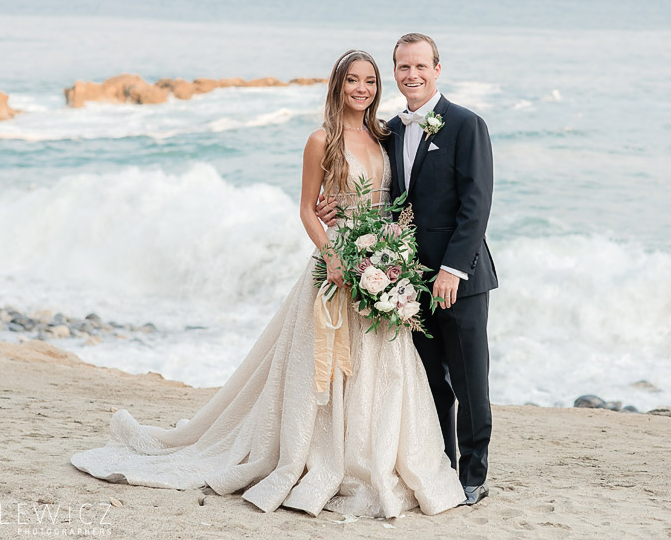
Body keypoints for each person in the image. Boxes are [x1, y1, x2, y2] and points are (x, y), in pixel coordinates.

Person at [70, 49, 465, 519]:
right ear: (337, 86)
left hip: (382, 262)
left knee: (384, 368)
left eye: (370, 82)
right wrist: (333, 255)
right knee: (326, 369)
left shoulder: (385, 135)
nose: (362, 89)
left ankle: (375, 453)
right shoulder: (322, 140)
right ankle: (320, 454)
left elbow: (404, 197)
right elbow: (306, 209)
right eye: (352, 81)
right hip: (338, 266)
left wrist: (397, 243)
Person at [319, 33, 497, 506]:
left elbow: (476, 207)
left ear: (437, 69)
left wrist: (452, 270)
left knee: (469, 381)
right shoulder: (389, 130)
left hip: (460, 279)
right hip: (404, 282)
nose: (411, 75)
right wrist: (337, 208)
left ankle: (474, 475)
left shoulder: (466, 125)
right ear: (394, 72)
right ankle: (441, 467)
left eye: (420, 66)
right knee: (427, 384)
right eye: (402, 67)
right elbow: (373, 189)